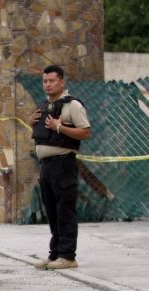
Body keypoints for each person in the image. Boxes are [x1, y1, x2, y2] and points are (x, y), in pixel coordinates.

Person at [29, 65, 92, 270]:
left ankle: (68, 256)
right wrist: (32, 123)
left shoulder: (72, 105)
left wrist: (60, 127)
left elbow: (85, 132)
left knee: (65, 211)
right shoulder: (46, 106)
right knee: (52, 212)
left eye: (52, 81)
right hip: (46, 166)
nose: (47, 85)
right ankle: (55, 253)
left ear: (62, 82)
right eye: (45, 81)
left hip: (63, 164)